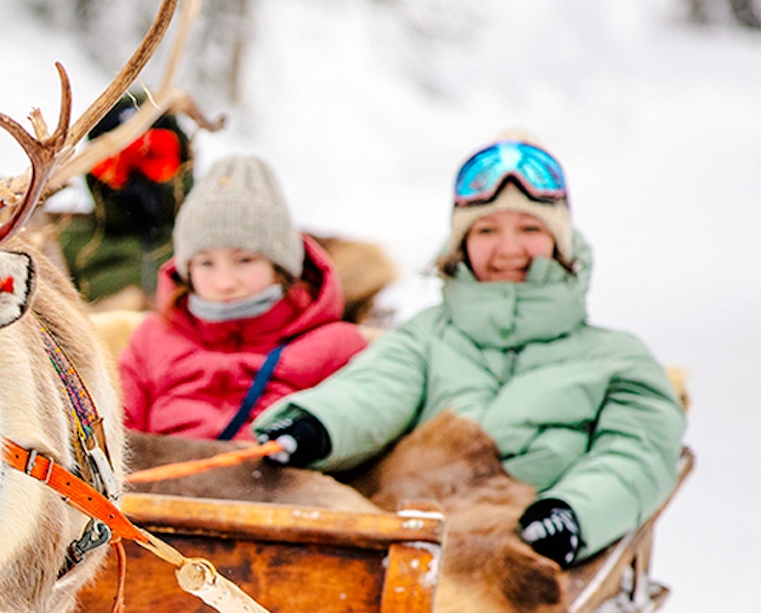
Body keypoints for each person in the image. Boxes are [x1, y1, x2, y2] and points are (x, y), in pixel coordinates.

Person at [252, 137, 687, 568]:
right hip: (408, 548)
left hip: (519, 563)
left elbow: (636, 454)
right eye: (487, 230)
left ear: (561, 242)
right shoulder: (425, 337)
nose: (509, 249)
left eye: (530, 229)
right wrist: (316, 425)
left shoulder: (618, 360)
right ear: (461, 244)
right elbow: (373, 392)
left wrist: (572, 512)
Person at [120, 155, 369, 442]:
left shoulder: (336, 347)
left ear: (280, 267)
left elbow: (357, 426)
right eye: (206, 263)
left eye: (245, 260)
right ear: (186, 270)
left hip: (281, 483)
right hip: (158, 482)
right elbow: (118, 431)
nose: (225, 283)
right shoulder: (151, 340)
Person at [56, 93, 194, 308]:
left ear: (184, 160)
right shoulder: (63, 248)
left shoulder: (211, 247)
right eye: (116, 162)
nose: (137, 178)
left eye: (153, 156)